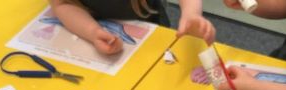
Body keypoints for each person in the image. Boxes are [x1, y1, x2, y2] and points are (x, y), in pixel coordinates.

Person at [49, 0, 215, 55]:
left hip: (151, 38)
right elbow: (63, 4)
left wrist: (191, 13)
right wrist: (93, 32)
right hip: (89, 43)